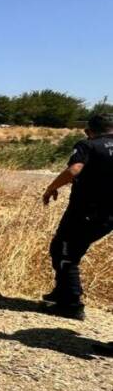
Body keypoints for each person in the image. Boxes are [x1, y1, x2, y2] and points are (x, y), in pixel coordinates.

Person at [40, 113, 113, 320]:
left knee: (64, 253)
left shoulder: (88, 145)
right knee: (70, 249)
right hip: (108, 217)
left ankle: (71, 304)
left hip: (85, 212)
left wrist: (51, 188)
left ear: (89, 131)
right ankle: (62, 292)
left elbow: (74, 169)